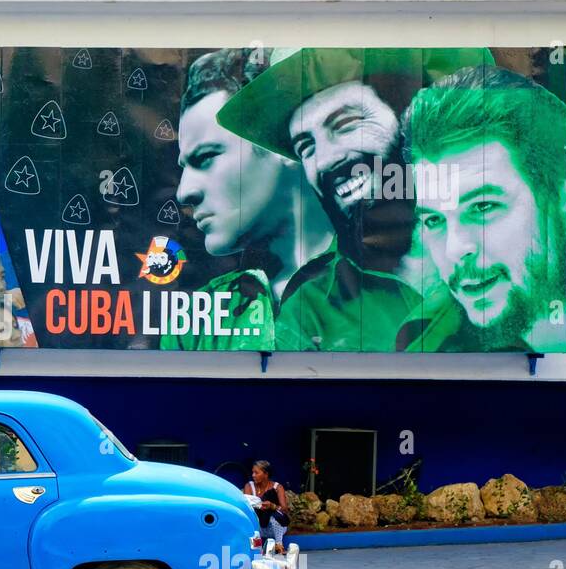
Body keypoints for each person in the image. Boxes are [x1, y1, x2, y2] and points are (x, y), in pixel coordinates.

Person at [216, 48, 494, 351]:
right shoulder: (312, 306)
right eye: (306, 147)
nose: (325, 160)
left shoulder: (509, 248)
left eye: (347, 123)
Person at [160, 48, 332, 352]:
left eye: (207, 157)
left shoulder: (392, 295)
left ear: (282, 144)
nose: (184, 191)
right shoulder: (195, 321)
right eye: (184, 167)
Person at [398, 66, 566, 353]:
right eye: (434, 220)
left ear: (560, 198)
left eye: (482, 206)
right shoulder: (422, 343)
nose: (454, 249)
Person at [244, 460, 289, 554]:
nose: (253, 475)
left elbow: (284, 509)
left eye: (256, 472)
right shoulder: (249, 486)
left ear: (266, 474)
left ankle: (279, 546)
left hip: (275, 528)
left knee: (274, 517)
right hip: (258, 527)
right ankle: (256, 549)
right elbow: (246, 506)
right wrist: (258, 506)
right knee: (251, 518)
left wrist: (272, 506)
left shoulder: (277, 487)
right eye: (253, 472)